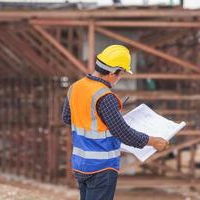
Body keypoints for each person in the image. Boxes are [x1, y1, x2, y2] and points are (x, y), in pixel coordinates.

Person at [62, 44, 167, 200]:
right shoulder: (105, 97)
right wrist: (153, 141)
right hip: (101, 168)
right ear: (112, 73)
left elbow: (67, 118)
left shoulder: (75, 88)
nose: (119, 78)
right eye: (120, 73)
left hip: (80, 165)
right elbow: (123, 132)